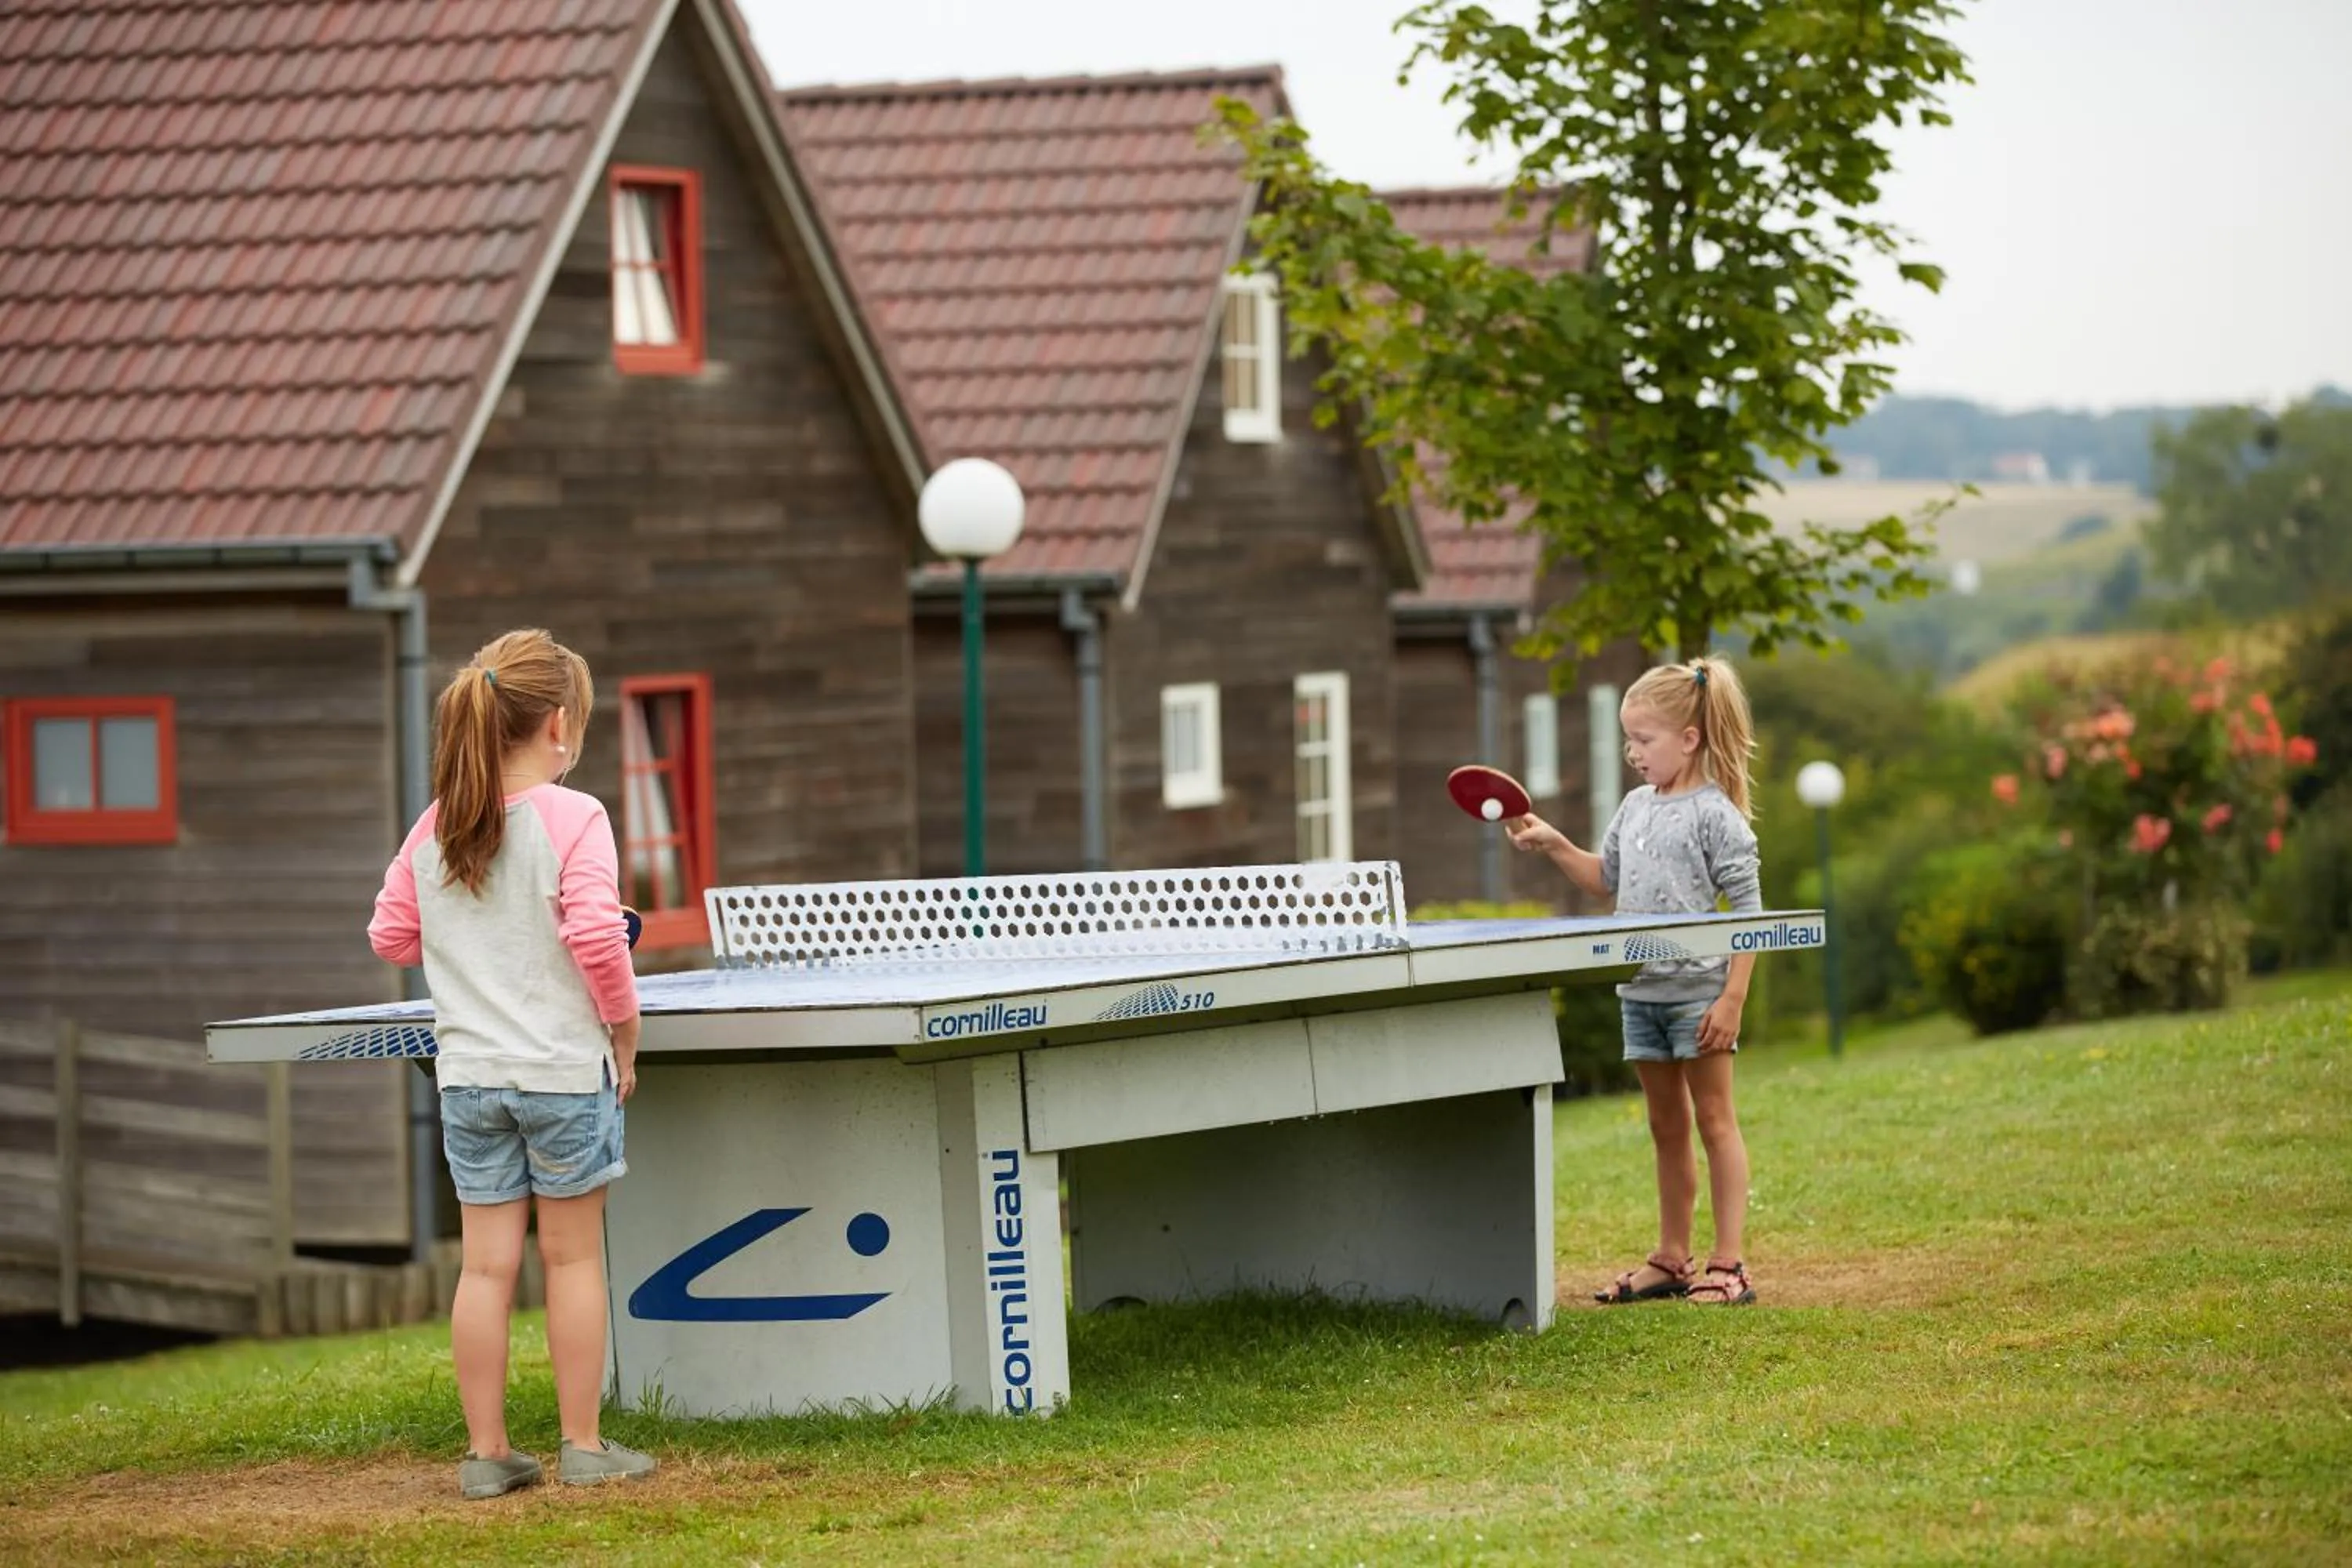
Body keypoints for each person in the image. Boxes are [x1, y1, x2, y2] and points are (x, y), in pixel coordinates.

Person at [368, 629, 658, 1497]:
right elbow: (598, 936)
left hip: (470, 1081)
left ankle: (488, 1453)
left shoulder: (438, 824)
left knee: (485, 1266)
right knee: (570, 1259)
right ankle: (581, 1443)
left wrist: (473, 935)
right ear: (558, 725)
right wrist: (624, 1026)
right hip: (563, 1072)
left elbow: (390, 933)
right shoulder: (579, 818)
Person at [1508, 655, 1763, 1308]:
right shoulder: (1635, 807)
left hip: (1699, 999)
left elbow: (1751, 916)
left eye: (1644, 740)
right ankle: (1673, 1260)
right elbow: (1606, 880)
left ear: (1689, 739)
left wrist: (1732, 999)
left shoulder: (1716, 815)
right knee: (1666, 1129)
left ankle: (1729, 1265)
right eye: (1628, 740)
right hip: (1641, 995)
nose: (1632, 753)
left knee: (1715, 1121)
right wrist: (1556, 844)